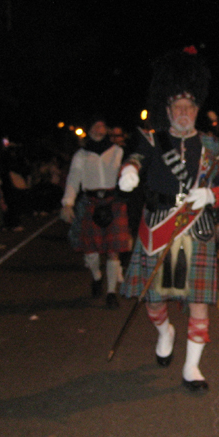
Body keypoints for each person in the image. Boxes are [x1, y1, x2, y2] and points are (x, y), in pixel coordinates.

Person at [118, 46, 219, 392]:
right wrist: (130, 170)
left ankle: (192, 368)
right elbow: (137, 157)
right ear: (167, 110)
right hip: (157, 227)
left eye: (189, 107)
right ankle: (164, 331)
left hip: (195, 229)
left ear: (196, 110)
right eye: (177, 107)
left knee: (198, 302)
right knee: (153, 300)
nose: (183, 112)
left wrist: (211, 195)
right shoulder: (153, 139)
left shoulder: (212, 147)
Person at [61, 117, 132, 308]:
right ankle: (97, 276)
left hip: (113, 203)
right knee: (90, 252)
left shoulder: (118, 151)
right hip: (90, 202)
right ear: (89, 130)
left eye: (102, 126)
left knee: (112, 252)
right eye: (95, 126)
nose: (99, 130)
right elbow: (73, 179)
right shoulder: (81, 155)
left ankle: (111, 293)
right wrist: (67, 203)